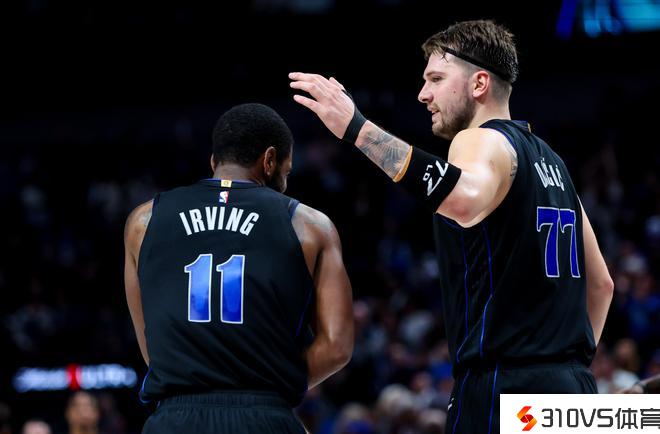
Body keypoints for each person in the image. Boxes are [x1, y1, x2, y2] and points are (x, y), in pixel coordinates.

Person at [289, 19, 613, 433]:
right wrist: (566, 371)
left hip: (503, 387)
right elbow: (601, 284)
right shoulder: (554, 163)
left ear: (479, 84)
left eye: (436, 79)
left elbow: (463, 199)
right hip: (574, 391)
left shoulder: (480, 140)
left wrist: (358, 130)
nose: (423, 94)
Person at [124, 103, 353, 433]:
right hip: (265, 415)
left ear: (213, 161)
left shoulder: (143, 221)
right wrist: (275, 386)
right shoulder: (311, 226)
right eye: (287, 172)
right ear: (269, 160)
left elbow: (151, 346)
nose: (285, 181)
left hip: (176, 417)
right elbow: (337, 346)